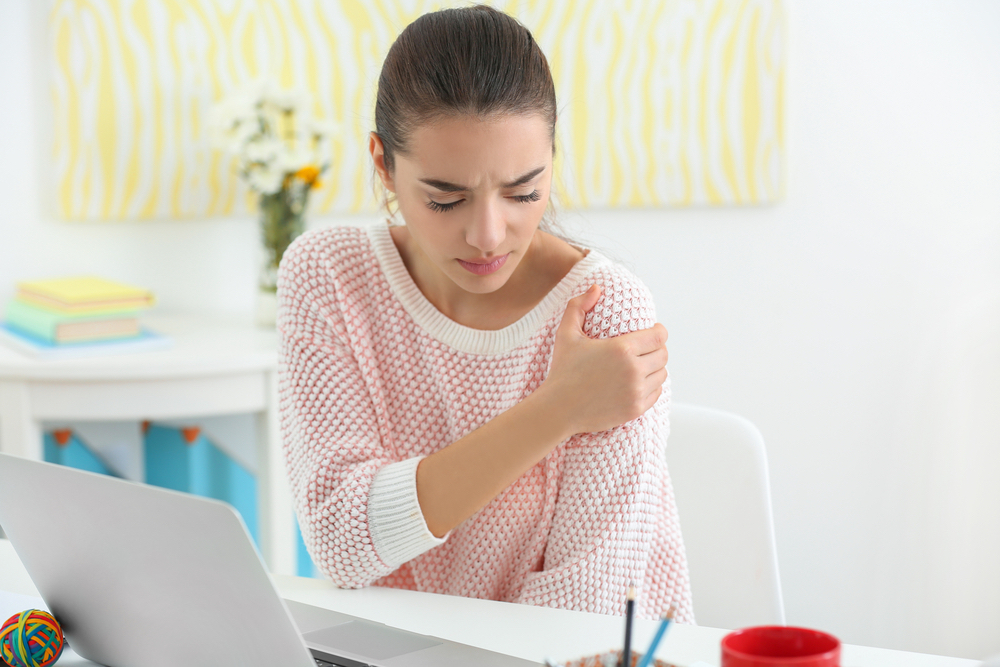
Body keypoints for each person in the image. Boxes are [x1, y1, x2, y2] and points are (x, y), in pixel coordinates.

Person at [277, 4, 693, 622]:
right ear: (383, 163)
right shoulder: (329, 277)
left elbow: (582, 610)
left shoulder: (607, 316)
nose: (489, 235)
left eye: (524, 191)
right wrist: (560, 408)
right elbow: (342, 544)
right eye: (446, 199)